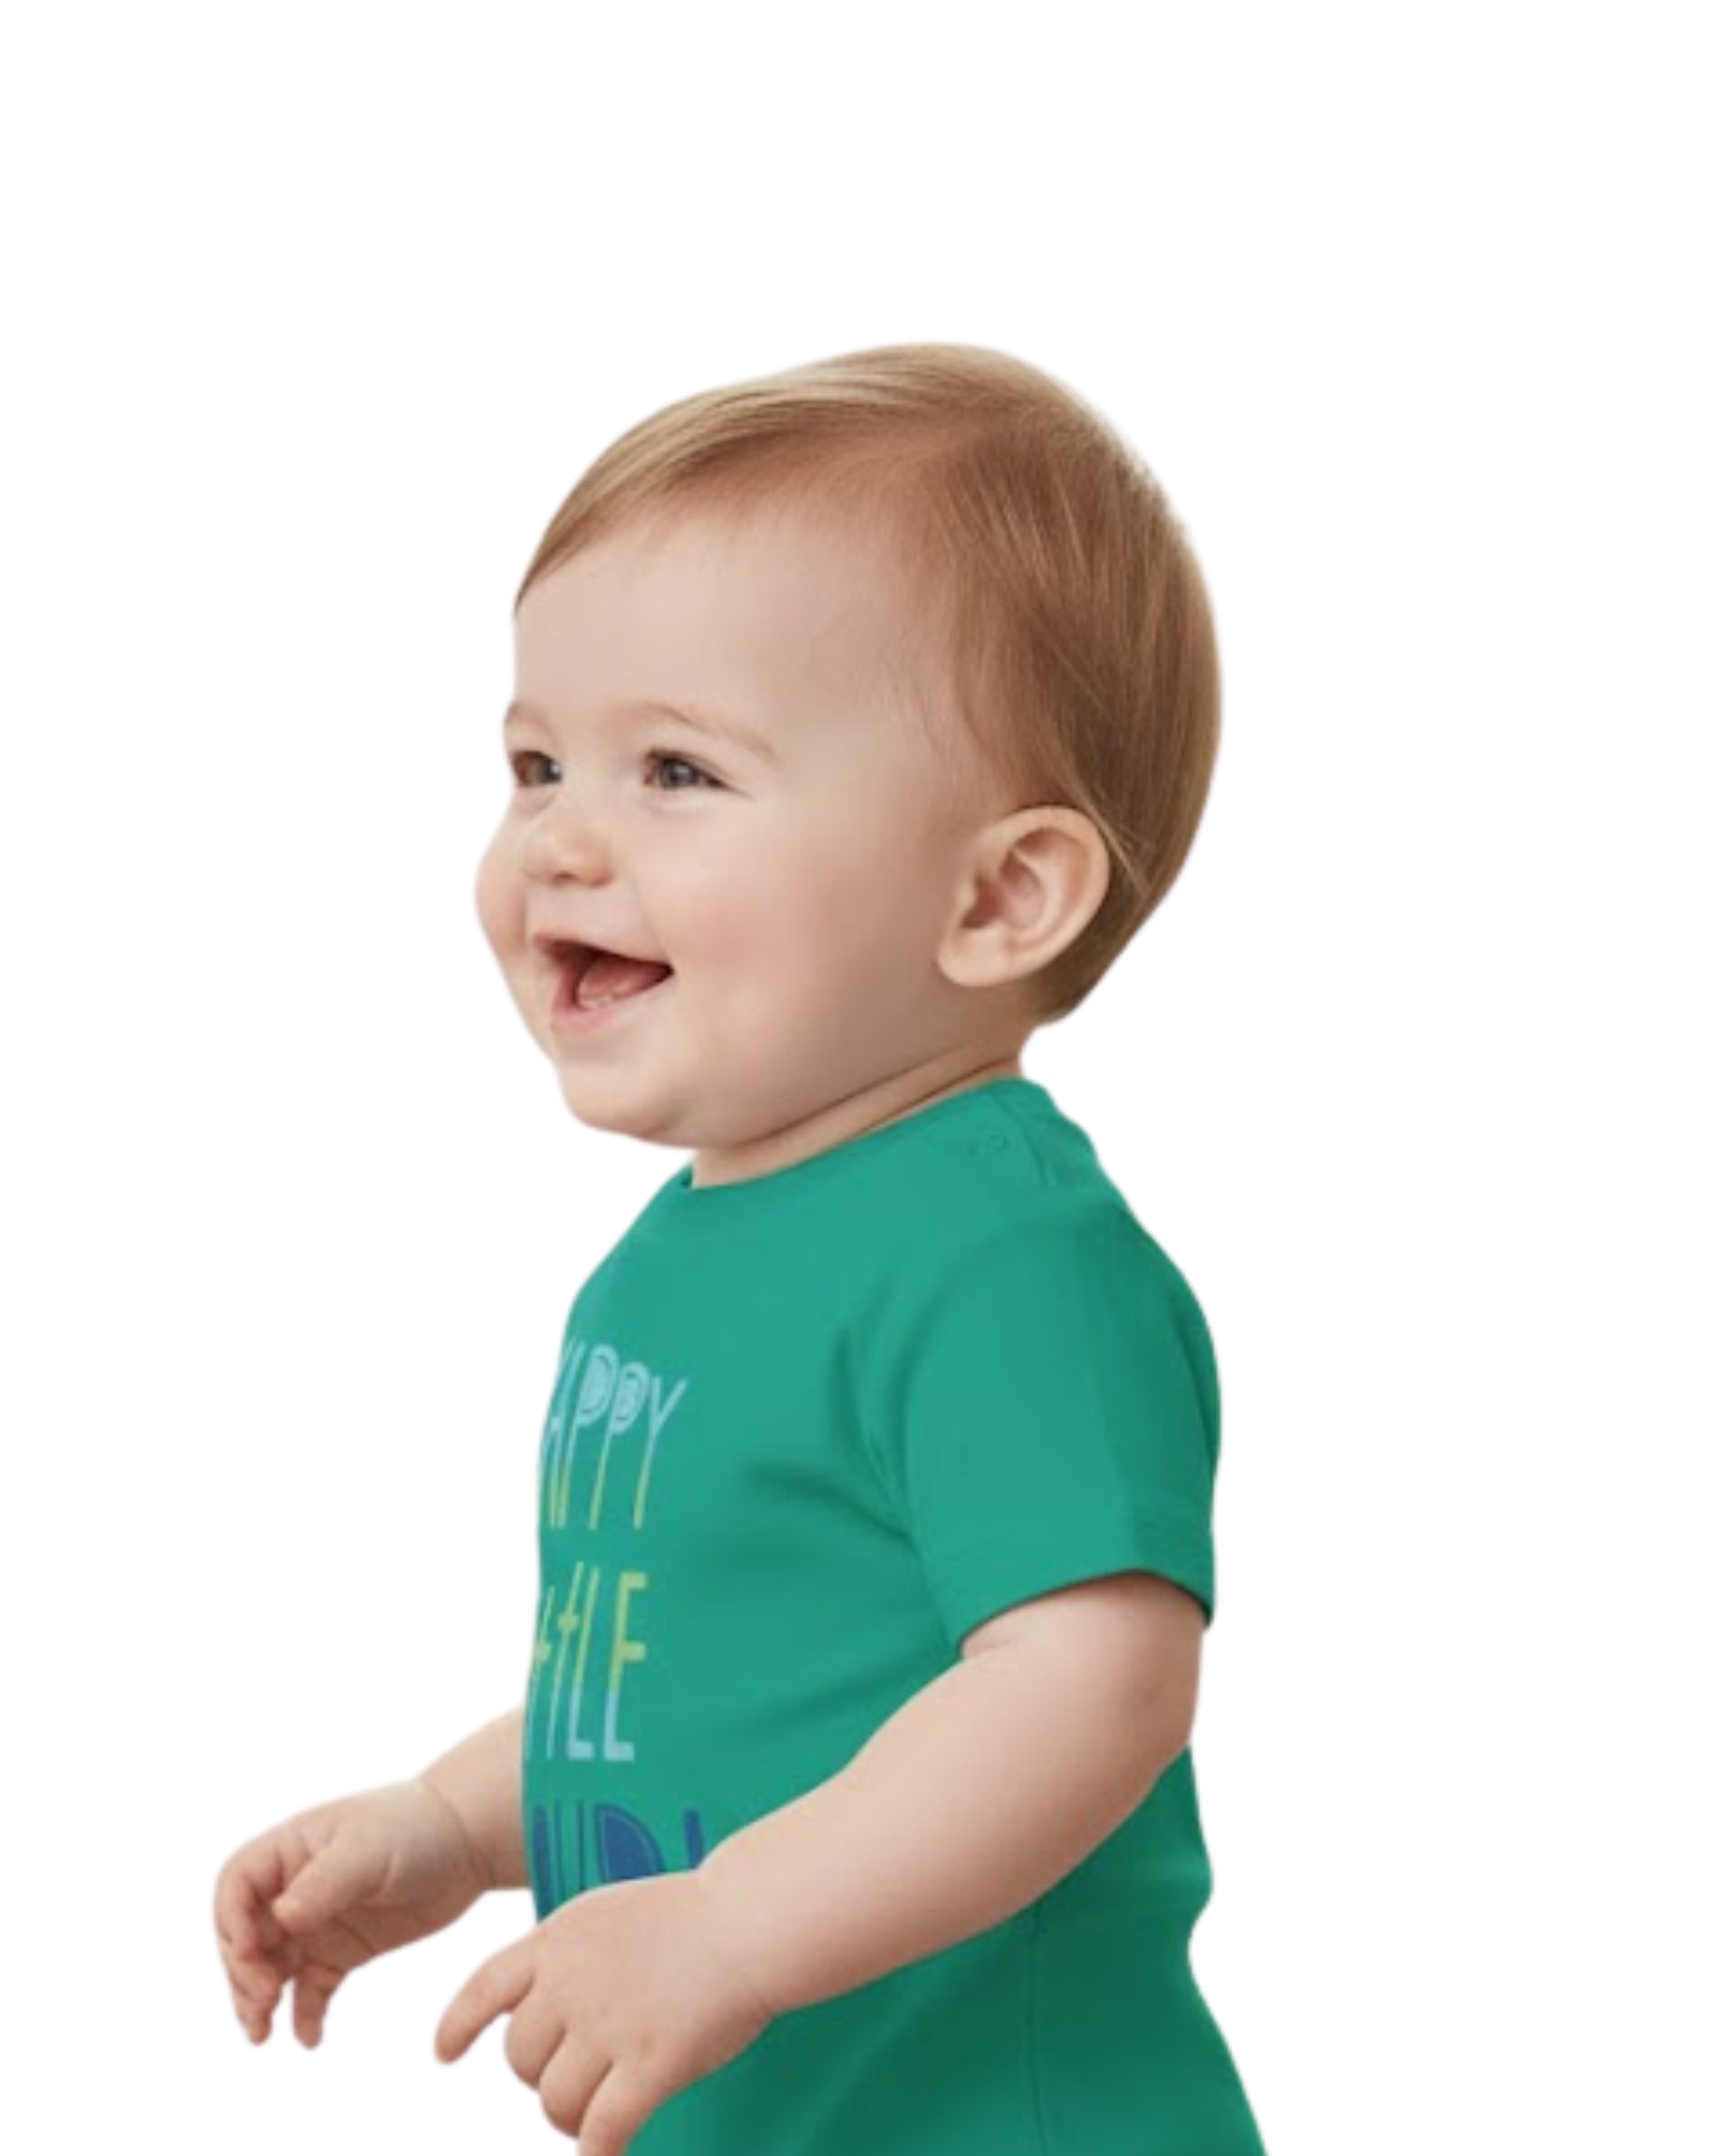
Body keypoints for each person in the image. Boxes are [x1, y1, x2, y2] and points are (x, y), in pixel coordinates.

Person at [213, 341, 1266, 2156]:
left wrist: (729, 1930)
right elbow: (671, 1690)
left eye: (676, 770)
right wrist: (448, 1825)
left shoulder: (1009, 1263)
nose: (561, 837)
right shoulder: (675, 1259)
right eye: (537, 762)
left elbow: (1091, 1685)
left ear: (997, 895)